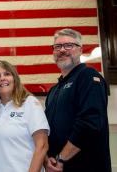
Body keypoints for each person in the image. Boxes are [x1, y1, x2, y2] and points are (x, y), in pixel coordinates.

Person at [44, 28, 111, 172]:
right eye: (58, 46)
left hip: (87, 166)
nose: (62, 50)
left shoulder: (88, 76)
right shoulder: (53, 90)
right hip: (57, 166)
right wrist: (48, 157)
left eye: (69, 45)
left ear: (80, 50)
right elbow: (47, 129)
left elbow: (89, 124)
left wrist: (61, 158)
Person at [0, 60, 49, 172]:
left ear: (15, 79)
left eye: (7, 74)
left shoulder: (30, 103)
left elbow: (42, 145)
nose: (2, 78)